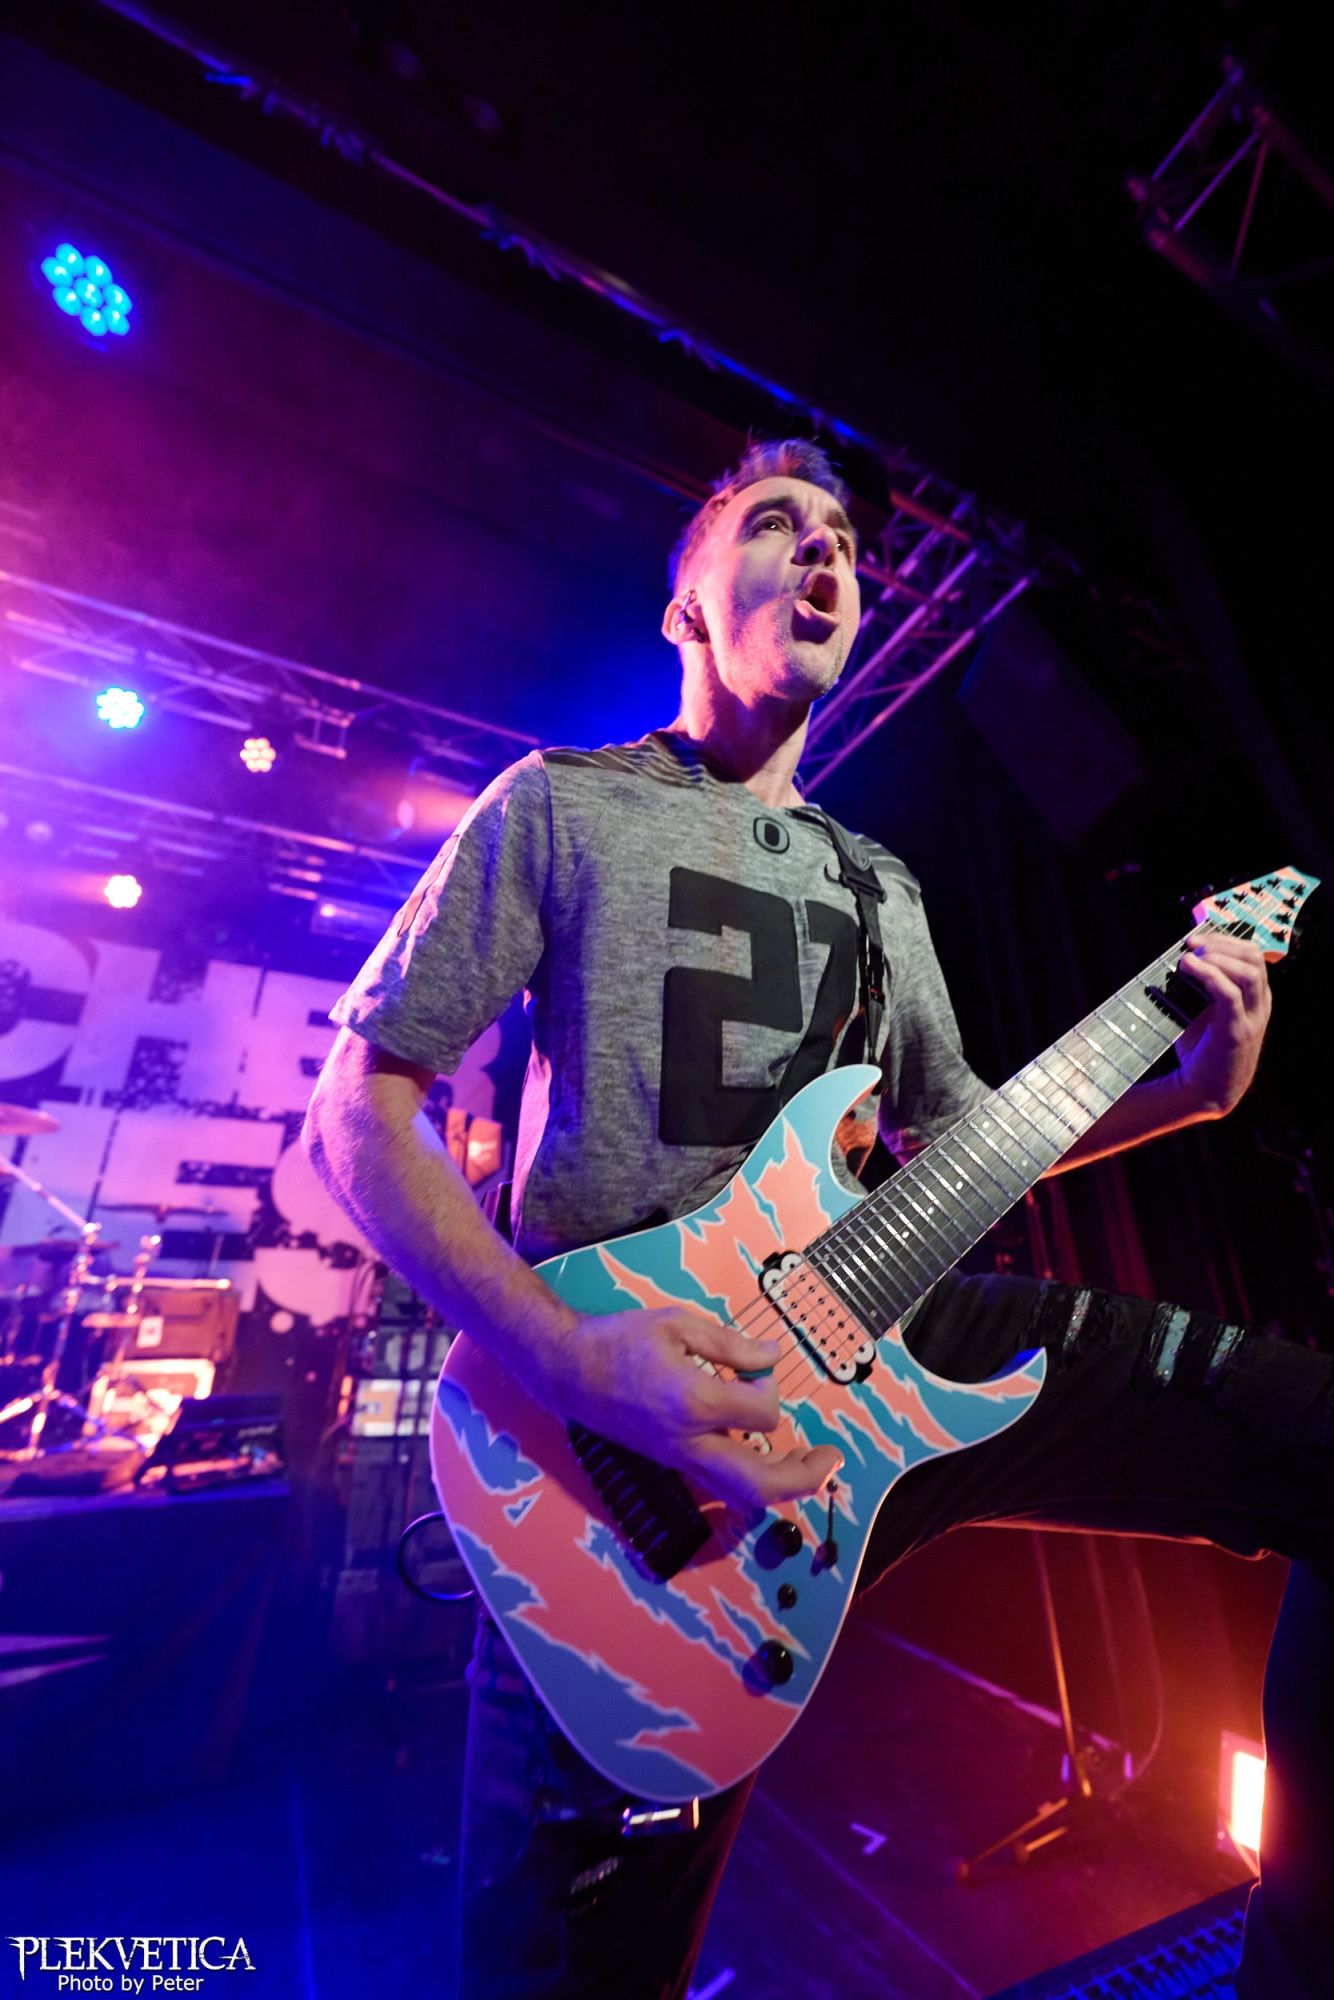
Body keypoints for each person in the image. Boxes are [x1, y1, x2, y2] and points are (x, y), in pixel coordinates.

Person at [304, 440, 1332, 1998]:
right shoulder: (561, 806)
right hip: (606, 1446)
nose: (825, 554)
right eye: (776, 525)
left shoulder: (877, 886)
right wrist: (568, 1358)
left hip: (876, 1340)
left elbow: (960, 1148)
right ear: (683, 610)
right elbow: (357, 1109)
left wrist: (1187, 1094)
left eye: (845, 540)